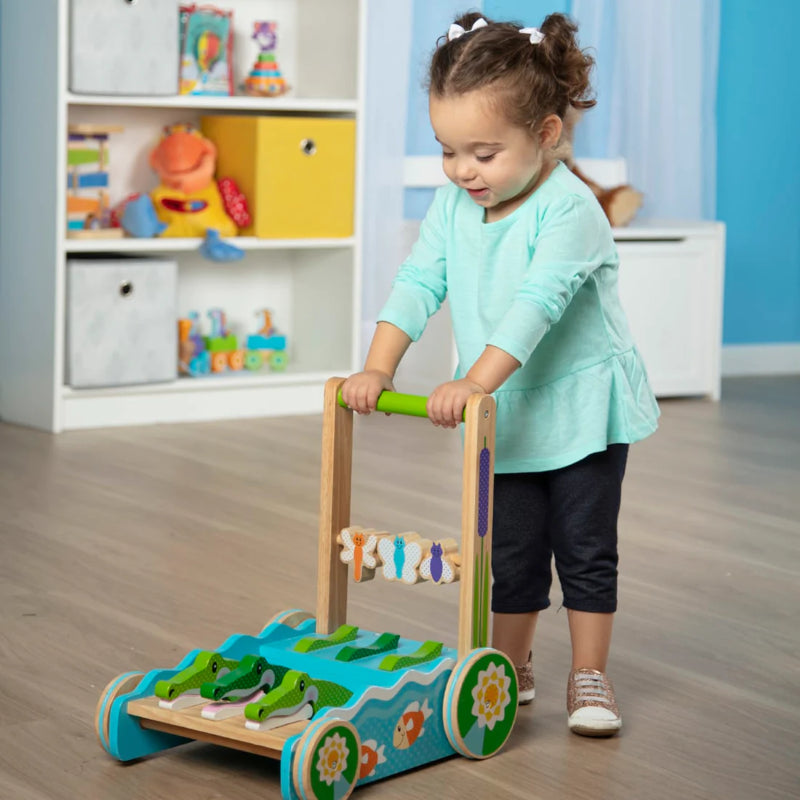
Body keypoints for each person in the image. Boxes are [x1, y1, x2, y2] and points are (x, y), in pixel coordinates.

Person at [342, 12, 659, 737]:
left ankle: (590, 674)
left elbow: (534, 306)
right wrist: (376, 366)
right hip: (505, 417)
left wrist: (475, 381)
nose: (462, 171)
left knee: (583, 549)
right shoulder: (455, 205)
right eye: (448, 152)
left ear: (546, 134)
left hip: (583, 412)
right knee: (510, 554)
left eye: (483, 152)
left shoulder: (571, 208)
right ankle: (507, 672)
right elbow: (420, 279)